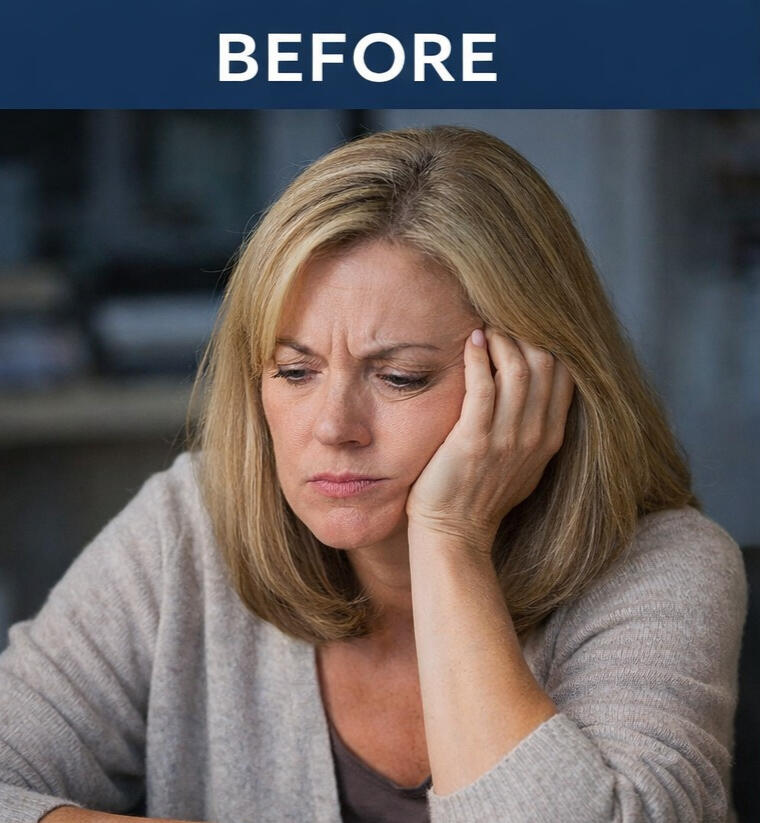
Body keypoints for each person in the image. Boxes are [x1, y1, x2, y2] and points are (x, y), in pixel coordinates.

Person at [0, 126, 748, 823]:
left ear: (533, 380)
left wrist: (450, 539)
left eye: (400, 377)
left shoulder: (663, 566)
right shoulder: (187, 525)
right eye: (295, 371)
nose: (332, 427)